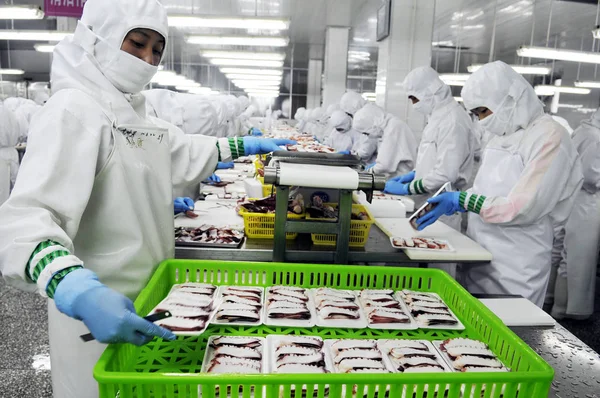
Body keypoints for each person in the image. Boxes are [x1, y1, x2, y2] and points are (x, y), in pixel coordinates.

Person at [0, 1, 293, 397]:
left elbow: (177, 151)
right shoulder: (72, 109)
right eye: (137, 43)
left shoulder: (134, 110)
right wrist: (75, 287)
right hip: (96, 310)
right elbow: (26, 219)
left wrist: (242, 144)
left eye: (157, 49)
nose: (147, 59)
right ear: (96, 39)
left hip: (150, 296)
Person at [415, 61, 582, 307]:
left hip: (518, 260)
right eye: (477, 114)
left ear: (511, 98)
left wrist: (464, 200)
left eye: (484, 111)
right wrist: (461, 200)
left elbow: (523, 208)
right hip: (480, 249)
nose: (481, 120)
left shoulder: (550, 136)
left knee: (510, 328)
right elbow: (489, 189)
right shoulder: (499, 135)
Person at [384, 66, 475, 232]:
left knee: (437, 253)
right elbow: (433, 159)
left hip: (441, 208)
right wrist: (413, 174)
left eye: (414, 98)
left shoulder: (453, 120)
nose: (413, 104)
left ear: (429, 93)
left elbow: (445, 174)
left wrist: (407, 188)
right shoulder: (436, 117)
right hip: (425, 201)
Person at [551, 108, 600, 320]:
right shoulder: (594, 137)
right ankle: (569, 310)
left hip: (574, 198)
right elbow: (591, 176)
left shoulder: (584, 130)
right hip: (586, 202)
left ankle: (554, 301)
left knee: (564, 254)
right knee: (579, 259)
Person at [353, 103, 417, 177]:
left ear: (373, 124)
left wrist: (367, 171)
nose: (368, 136)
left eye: (366, 133)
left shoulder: (393, 127)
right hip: (396, 175)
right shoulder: (388, 127)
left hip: (400, 177)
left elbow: (384, 165)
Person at [0, 105, 19, 199]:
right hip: (12, 152)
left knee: (2, 194)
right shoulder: (10, 112)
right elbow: (21, 131)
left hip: (2, 157)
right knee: (15, 190)